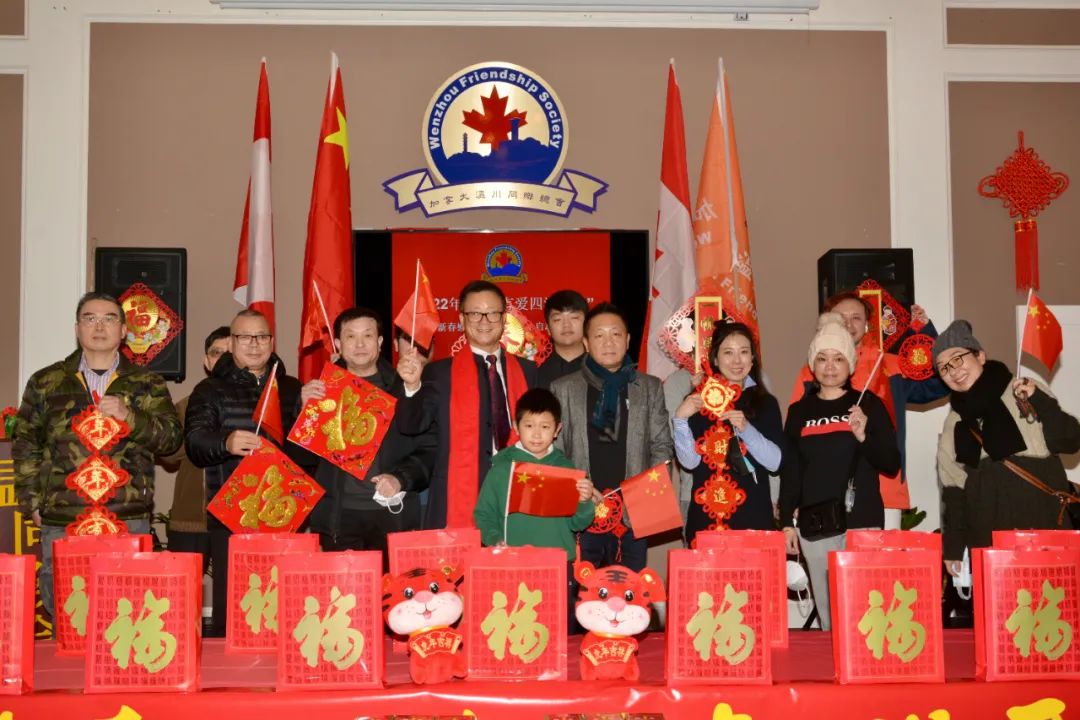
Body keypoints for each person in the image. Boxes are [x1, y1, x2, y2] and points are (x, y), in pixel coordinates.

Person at [12, 291, 182, 617]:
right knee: (67, 614)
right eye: (90, 319)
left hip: (126, 518)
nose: (99, 327)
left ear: (123, 331)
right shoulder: (47, 381)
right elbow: (25, 445)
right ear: (77, 329)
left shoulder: (147, 383)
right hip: (65, 519)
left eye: (109, 319)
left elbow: (171, 441)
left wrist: (130, 417)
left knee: (127, 614)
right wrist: (32, 503)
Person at [185, 308, 308, 637]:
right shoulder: (210, 390)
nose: (254, 344)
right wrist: (225, 442)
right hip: (233, 516)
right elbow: (195, 443)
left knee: (286, 609)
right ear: (232, 342)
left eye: (261, 337)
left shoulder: (292, 388)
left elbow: (306, 453)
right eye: (245, 337)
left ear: (272, 341)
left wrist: (309, 410)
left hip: (285, 515)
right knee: (236, 611)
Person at [779, 313, 900, 631]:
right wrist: (786, 523)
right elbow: (791, 470)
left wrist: (863, 436)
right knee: (830, 614)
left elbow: (891, 463)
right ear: (812, 364)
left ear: (850, 364)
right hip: (816, 525)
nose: (830, 366)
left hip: (862, 521)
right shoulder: (799, 412)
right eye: (822, 358)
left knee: (866, 610)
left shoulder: (868, 405)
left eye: (838, 358)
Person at [934, 320, 1080, 575]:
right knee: (996, 602)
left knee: (1051, 598)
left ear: (980, 356)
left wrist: (1040, 401)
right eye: (943, 367)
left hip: (1042, 526)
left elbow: (1070, 441)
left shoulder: (1022, 391)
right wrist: (953, 548)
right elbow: (953, 489)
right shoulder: (954, 422)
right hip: (987, 539)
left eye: (957, 358)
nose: (953, 371)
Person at [396, 280, 538, 529]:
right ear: (462, 319)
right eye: (475, 313)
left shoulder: (528, 371)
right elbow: (411, 425)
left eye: (492, 313)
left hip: (517, 487)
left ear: (504, 319)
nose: (484, 321)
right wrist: (411, 386)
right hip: (457, 495)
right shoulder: (440, 373)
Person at [790, 293, 948, 509]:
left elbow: (937, 386)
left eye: (856, 318)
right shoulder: (812, 372)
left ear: (867, 325)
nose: (848, 324)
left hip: (885, 485)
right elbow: (794, 441)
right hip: (822, 488)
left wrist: (923, 333)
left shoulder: (890, 365)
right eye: (840, 317)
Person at [302, 308, 435, 560]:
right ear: (338, 344)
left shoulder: (404, 386)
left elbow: (429, 448)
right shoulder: (322, 390)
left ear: (380, 342)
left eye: (368, 335)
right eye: (351, 336)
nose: (360, 344)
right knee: (344, 586)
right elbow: (301, 458)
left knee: (393, 585)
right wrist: (304, 412)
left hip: (392, 514)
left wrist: (400, 478)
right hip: (338, 517)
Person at [550, 302, 673, 572]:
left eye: (616, 334)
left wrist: (644, 496)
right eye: (599, 335)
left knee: (629, 591)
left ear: (627, 340)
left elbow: (662, 446)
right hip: (582, 510)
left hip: (633, 514)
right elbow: (555, 451)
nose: (608, 342)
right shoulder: (563, 389)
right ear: (586, 342)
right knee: (580, 590)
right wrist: (577, 490)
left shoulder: (649, 387)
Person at [673, 322, 783, 545]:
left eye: (744, 352)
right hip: (706, 518)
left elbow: (775, 463)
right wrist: (680, 419)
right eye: (728, 352)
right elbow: (689, 463)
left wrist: (746, 429)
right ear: (715, 359)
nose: (736, 361)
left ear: (752, 358)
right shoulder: (698, 400)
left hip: (753, 516)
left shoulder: (765, 402)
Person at [474, 388, 596, 558]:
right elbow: (484, 515)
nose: (537, 434)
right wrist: (495, 540)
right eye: (529, 426)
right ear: (516, 427)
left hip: (558, 560)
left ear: (557, 429)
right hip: (514, 559)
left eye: (545, 426)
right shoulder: (501, 469)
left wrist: (584, 502)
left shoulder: (566, 469)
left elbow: (577, 524)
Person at [158, 325, 230, 570]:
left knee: (234, 589)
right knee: (180, 588)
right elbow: (167, 455)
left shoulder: (256, 403)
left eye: (230, 353)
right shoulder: (186, 405)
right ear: (206, 362)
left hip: (239, 519)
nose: (224, 360)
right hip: (190, 520)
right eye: (217, 353)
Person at [537, 289, 588, 388]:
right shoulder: (535, 372)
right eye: (557, 319)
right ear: (548, 328)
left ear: (587, 324)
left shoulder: (600, 367)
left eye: (574, 317)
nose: (566, 325)